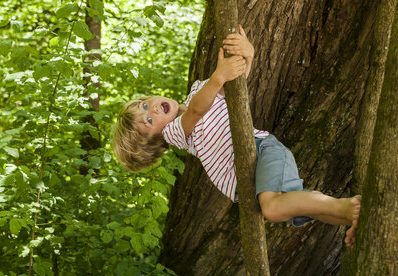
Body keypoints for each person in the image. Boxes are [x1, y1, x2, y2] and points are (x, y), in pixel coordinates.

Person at [113, 25, 360, 247]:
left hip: (261, 149)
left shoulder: (200, 89)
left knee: (274, 209)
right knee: (288, 205)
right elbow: (198, 109)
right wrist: (218, 76)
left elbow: (235, 86)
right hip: (249, 180)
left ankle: (347, 207)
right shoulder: (176, 133)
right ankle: (349, 214)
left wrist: (247, 54)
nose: (153, 110)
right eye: (149, 121)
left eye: (146, 105)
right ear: (158, 140)